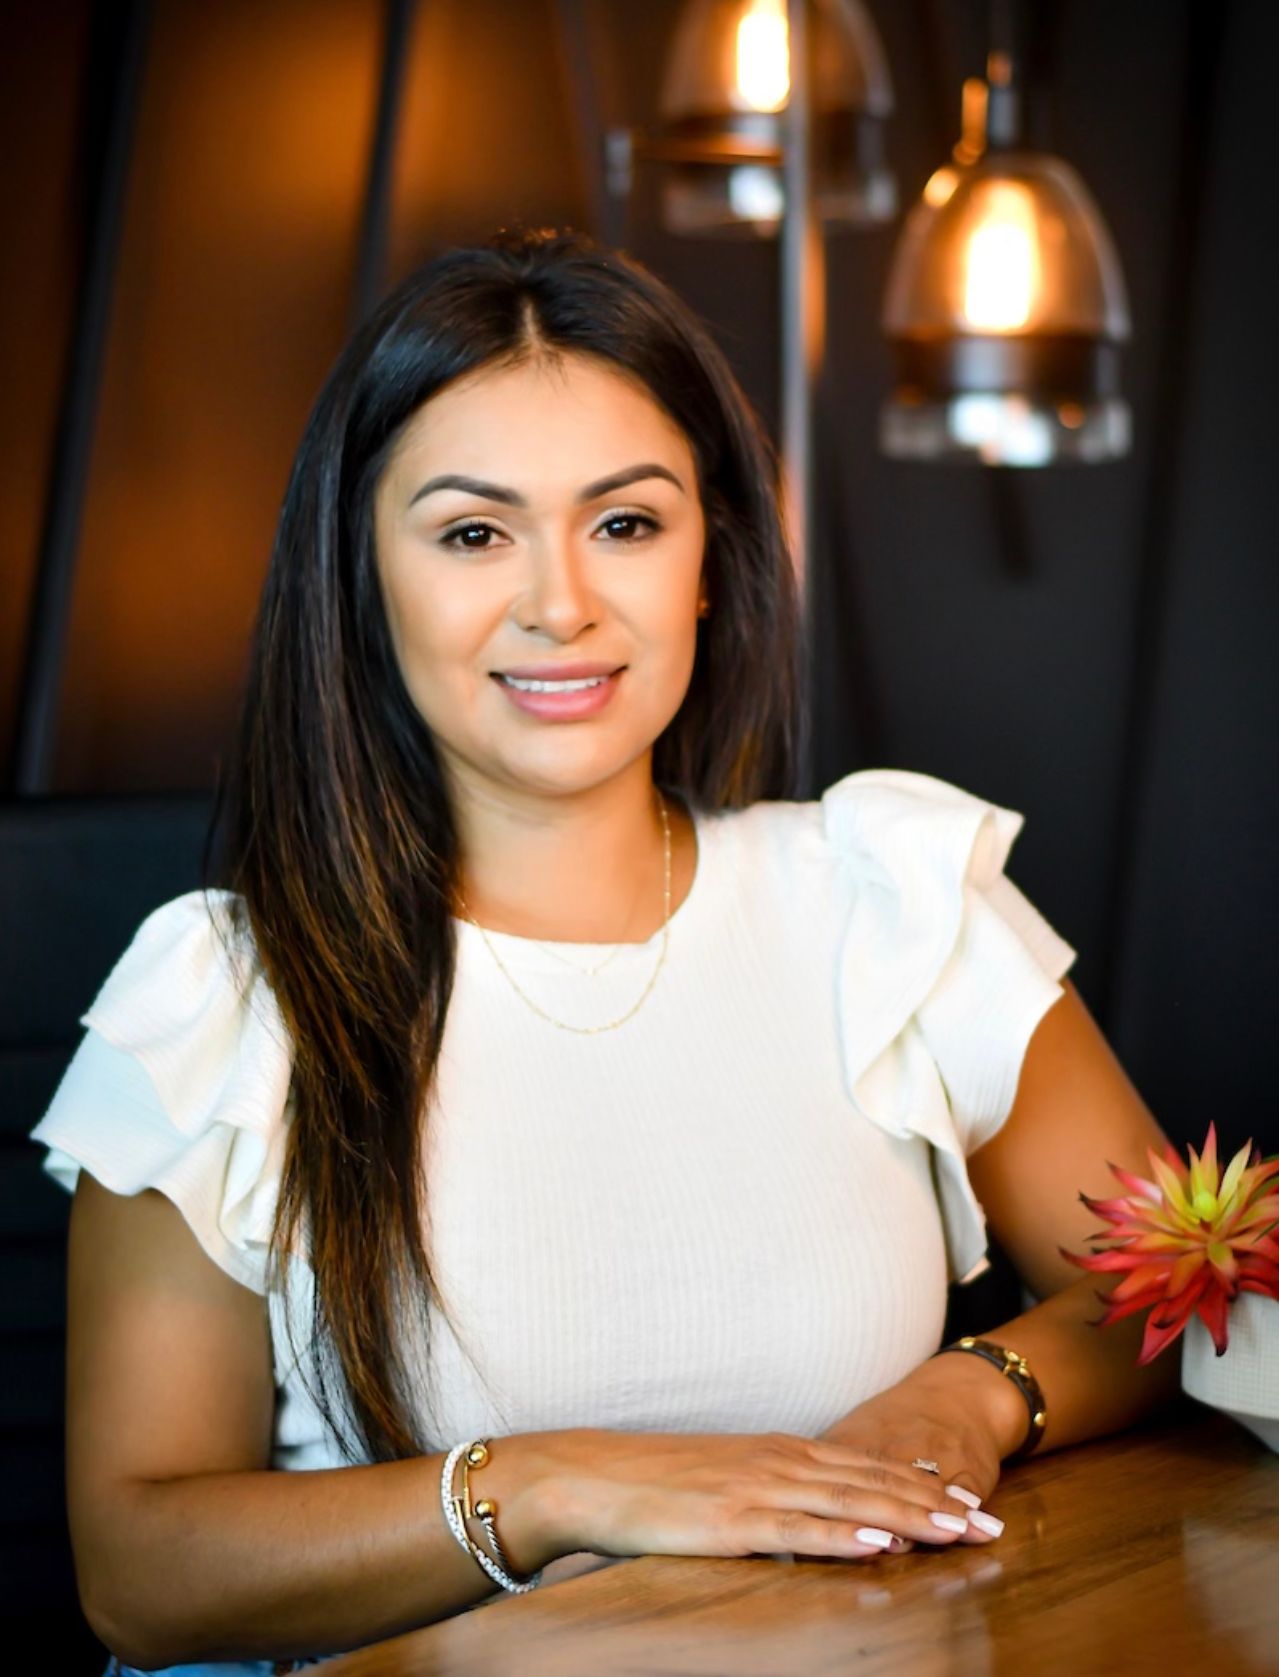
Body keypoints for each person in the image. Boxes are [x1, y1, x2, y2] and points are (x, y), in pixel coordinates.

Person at [31, 228, 1178, 1676]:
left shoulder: (886, 896)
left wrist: (975, 1389)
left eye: (626, 523)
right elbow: (142, 1570)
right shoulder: (224, 995)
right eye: (471, 531)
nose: (559, 601)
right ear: (362, 580)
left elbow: (1173, 1284)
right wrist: (559, 1483)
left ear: (711, 558)